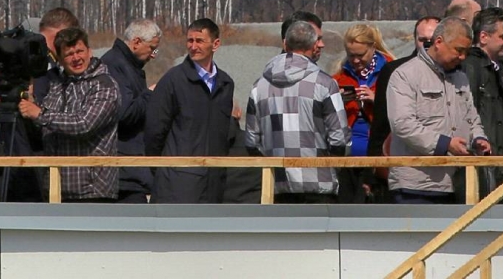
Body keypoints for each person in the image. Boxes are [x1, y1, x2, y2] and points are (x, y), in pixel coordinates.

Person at [386, 18, 490, 204]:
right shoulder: (405, 75)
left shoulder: (461, 78)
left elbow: (472, 118)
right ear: (439, 42)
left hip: (457, 183)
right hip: (416, 186)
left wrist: (479, 139)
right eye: (458, 50)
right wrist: (445, 144)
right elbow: (402, 124)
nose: (463, 57)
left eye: (466, 52)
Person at [0, 6, 80, 202]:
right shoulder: (38, 64)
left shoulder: (21, 56)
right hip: (27, 151)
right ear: (61, 34)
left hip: (17, 145)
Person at [246, 20, 350, 203]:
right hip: (319, 184)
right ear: (313, 45)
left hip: (276, 185)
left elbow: (252, 143)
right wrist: (331, 166)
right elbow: (339, 139)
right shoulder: (325, 84)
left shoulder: (259, 86)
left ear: (285, 44)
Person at [19, 27, 121, 202]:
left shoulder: (104, 85)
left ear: (89, 51)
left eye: (80, 51)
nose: (76, 58)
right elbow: (41, 127)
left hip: (93, 191)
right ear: (59, 58)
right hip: (55, 187)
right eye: (69, 54)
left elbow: (84, 124)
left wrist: (40, 114)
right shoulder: (56, 85)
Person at [145, 17, 234, 203]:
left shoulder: (225, 84)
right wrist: (167, 169)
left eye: (199, 41)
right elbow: (154, 132)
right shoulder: (173, 81)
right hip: (178, 185)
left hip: (214, 184)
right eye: (190, 40)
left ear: (215, 44)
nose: (193, 46)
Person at [101, 19, 162, 203]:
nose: (153, 55)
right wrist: (150, 94)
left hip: (128, 169)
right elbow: (125, 113)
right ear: (136, 42)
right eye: (152, 48)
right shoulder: (115, 65)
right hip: (121, 169)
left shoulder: (126, 66)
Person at [332, 24, 395, 202]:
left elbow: (404, 112)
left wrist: (377, 100)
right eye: (351, 55)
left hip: (378, 155)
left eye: (361, 55)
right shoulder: (339, 77)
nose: (356, 61)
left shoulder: (391, 71)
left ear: (373, 48)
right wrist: (336, 102)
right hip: (347, 157)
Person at [462, 7, 503, 197]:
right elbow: (469, 113)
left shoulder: (498, 70)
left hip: (500, 164)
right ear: (484, 37)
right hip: (486, 165)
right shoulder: (472, 68)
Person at [367, 15, 441, 159]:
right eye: (422, 40)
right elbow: (380, 124)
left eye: (431, 40)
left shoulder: (455, 71)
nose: (426, 44)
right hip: (403, 156)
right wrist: (372, 170)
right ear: (415, 40)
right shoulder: (394, 70)